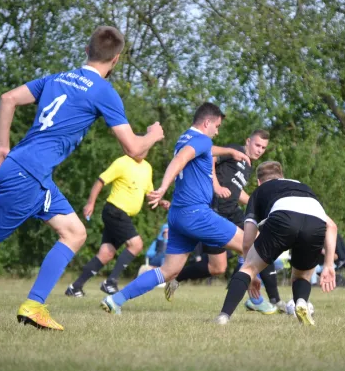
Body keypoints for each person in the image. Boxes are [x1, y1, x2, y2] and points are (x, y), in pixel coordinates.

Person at [0, 26, 164, 331]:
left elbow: (8, 99)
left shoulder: (56, 78)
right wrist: (153, 135)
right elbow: (133, 147)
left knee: (74, 232)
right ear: (116, 60)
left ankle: (34, 305)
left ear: (86, 51)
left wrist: (2, 147)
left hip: (27, 170)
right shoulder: (103, 91)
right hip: (28, 176)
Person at [100, 102, 251, 315]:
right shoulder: (200, 140)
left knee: (169, 271)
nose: (217, 131)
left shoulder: (186, 138)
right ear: (207, 122)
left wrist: (229, 152)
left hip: (178, 215)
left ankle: (116, 299)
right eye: (216, 126)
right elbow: (180, 160)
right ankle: (257, 299)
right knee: (252, 247)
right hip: (197, 214)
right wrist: (162, 187)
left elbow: (202, 150)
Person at [164, 130, 283, 314]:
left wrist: (257, 202)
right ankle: (177, 277)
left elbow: (236, 192)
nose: (259, 150)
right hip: (214, 211)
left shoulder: (248, 165)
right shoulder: (234, 150)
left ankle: (272, 299)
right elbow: (210, 156)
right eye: (257, 145)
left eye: (263, 148)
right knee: (220, 265)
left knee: (253, 246)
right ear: (248, 141)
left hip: (232, 211)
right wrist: (216, 186)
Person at [215, 161, 337, 326]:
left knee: (248, 269)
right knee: (301, 275)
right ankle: (301, 302)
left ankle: (223, 317)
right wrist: (329, 264)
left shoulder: (260, 191)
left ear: (259, 181)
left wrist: (250, 270)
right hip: (315, 222)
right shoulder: (303, 187)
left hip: (284, 216)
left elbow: (247, 239)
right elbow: (332, 226)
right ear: (282, 177)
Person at [65, 154, 170, 297]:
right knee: (136, 244)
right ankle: (111, 282)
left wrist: (160, 201)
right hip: (115, 210)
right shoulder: (122, 162)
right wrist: (90, 203)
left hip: (121, 214)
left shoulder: (147, 167)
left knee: (106, 254)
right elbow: (100, 181)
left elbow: (149, 194)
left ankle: (75, 287)